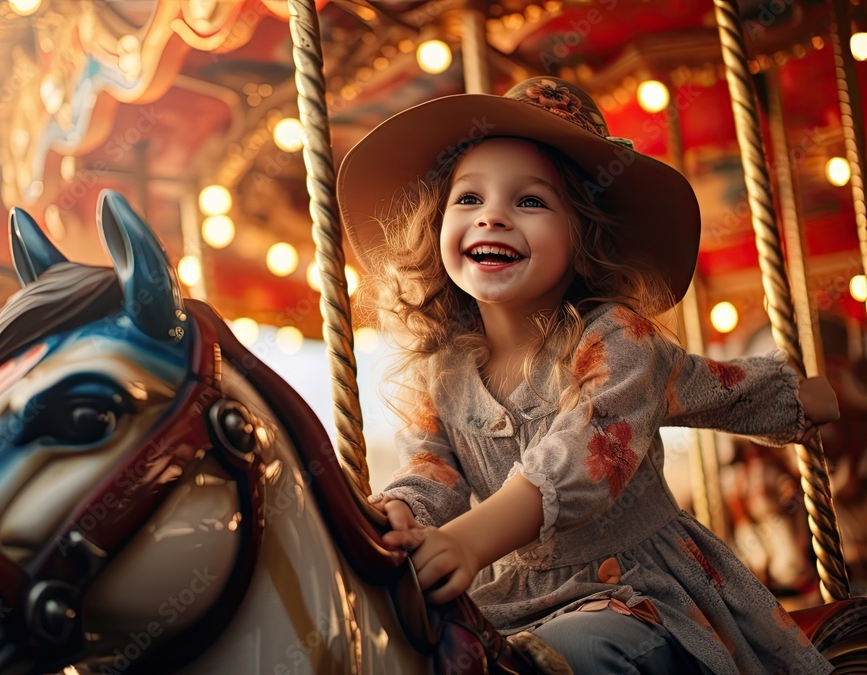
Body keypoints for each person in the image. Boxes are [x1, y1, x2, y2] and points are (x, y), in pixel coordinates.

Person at [336, 77, 840, 674]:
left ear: (584, 235)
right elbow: (431, 470)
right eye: (468, 199)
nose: (492, 216)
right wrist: (399, 516)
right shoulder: (441, 369)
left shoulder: (617, 339)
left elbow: (585, 459)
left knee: (580, 655)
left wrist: (806, 398)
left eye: (531, 201)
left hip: (636, 591)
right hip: (511, 598)